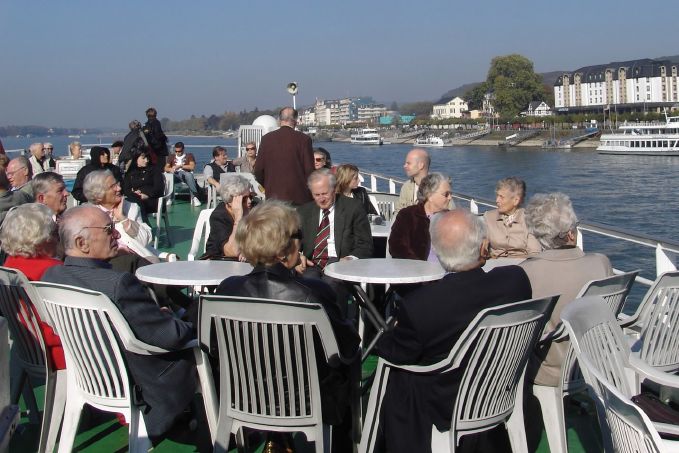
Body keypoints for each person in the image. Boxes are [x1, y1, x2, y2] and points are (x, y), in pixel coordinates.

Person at [375, 209, 532, 453]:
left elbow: (396, 352)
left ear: (437, 253)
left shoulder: (422, 306)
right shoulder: (515, 282)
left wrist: (388, 334)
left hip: (448, 404)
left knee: (400, 380)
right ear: (483, 247)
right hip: (497, 393)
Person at [215, 200, 360, 452]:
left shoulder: (228, 290)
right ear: (282, 251)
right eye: (298, 235)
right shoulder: (313, 293)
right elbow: (346, 347)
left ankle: (277, 438)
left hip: (245, 397)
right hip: (306, 402)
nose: (301, 242)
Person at [42, 205, 196, 441]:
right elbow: (171, 337)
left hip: (92, 377)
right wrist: (180, 321)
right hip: (144, 384)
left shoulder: (51, 278)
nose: (116, 234)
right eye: (108, 229)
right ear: (82, 243)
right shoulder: (118, 283)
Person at [520, 192, 612, 387]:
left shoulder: (525, 272)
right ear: (571, 234)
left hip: (550, 372)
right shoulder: (601, 263)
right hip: (598, 362)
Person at [1, 203, 65, 369]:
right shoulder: (52, 271)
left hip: (26, 351)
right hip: (57, 356)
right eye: (54, 232)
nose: (57, 238)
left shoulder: (9, 265)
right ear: (41, 239)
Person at [297, 169, 373, 274]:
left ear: (334, 190)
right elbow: (291, 242)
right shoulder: (304, 211)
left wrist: (350, 259)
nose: (321, 199)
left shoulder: (353, 208)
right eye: (317, 195)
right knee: (308, 280)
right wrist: (298, 257)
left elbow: (365, 245)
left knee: (332, 282)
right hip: (312, 264)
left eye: (324, 194)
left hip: (342, 266)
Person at [83, 170, 154, 262]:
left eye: (117, 184)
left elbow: (143, 241)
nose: (119, 188)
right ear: (98, 196)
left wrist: (123, 218)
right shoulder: (89, 215)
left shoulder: (131, 207)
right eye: (112, 186)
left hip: (135, 260)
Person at [254, 107, 315, 205]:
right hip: (299, 197)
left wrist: (269, 186)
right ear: (295, 121)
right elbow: (309, 170)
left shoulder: (266, 139)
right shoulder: (304, 139)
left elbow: (258, 170)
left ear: (279, 120)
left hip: (273, 197)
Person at [389, 172, 453, 261]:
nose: (450, 198)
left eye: (451, 194)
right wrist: (419, 266)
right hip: (414, 268)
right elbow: (397, 247)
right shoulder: (407, 216)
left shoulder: (452, 219)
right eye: (446, 194)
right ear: (430, 195)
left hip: (447, 269)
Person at [483, 176, 541, 258]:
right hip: (495, 263)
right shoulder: (488, 217)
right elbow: (481, 248)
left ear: (516, 200)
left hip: (522, 264)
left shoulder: (529, 219)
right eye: (497, 196)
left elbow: (535, 253)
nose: (497, 200)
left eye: (501, 197)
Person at [204, 174, 252, 259]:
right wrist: (238, 219)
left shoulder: (252, 209)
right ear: (230, 201)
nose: (249, 201)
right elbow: (232, 251)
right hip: (220, 261)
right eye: (244, 199)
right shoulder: (219, 217)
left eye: (250, 196)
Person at [123, 149, 164, 222]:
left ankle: (144, 225)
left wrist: (146, 195)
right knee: (132, 203)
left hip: (152, 200)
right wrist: (134, 193)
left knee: (136, 205)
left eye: (147, 158)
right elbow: (126, 189)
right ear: (136, 158)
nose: (146, 160)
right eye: (143, 158)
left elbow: (159, 188)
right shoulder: (130, 172)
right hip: (135, 198)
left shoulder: (154, 170)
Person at [165, 141, 202, 207]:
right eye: (176, 151)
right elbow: (166, 168)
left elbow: (192, 167)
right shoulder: (171, 156)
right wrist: (171, 169)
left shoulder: (189, 156)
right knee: (169, 176)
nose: (177, 153)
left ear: (183, 149)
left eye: (179, 151)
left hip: (185, 175)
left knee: (189, 175)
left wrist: (180, 166)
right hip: (175, 175)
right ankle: (170, 198)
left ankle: (195, 197)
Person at [396, 148, 430, 213]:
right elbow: (398, 211)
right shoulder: (406, 186)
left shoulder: (437, 188)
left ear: (421, 165)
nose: (404, 166)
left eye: (408, 163)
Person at [142, 107, 169, 171]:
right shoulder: (156, 123)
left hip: (150, 150)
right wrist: (164, 138)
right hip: (159, 151)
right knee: (160, 169)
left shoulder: (145, 126)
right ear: (155, 114)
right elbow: (158, 135)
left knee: (151, 169)